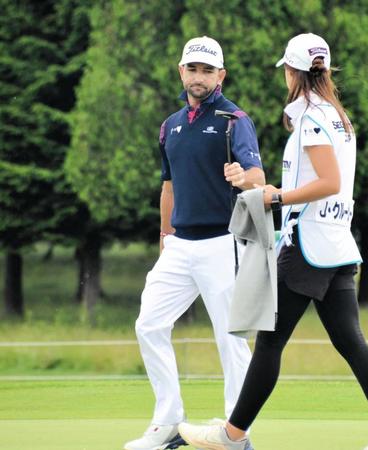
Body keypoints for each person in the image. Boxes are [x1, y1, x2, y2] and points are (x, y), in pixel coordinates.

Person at [178, 33, 368, 450]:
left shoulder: (311, 116)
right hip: (336, 243)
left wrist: (277, 195)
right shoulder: (337, 114)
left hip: (308, 246)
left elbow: (328, 182)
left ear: (292, 72)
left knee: (270, 341)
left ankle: (231, 436)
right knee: (351, 342)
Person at [124, 36, 265, 450]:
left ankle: (236, 434)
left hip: (223, 242)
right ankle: (169, 420)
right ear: (181, 71)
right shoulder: (170, 125)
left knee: (231, 338)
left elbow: (257, 175)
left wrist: (243, 177)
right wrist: (165, 234)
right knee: (148, 323)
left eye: (207, 70)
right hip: (180, 245)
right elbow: (168, 186)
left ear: (220, 75)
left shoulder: (234, 119)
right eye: (193, 68)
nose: (198, 76)